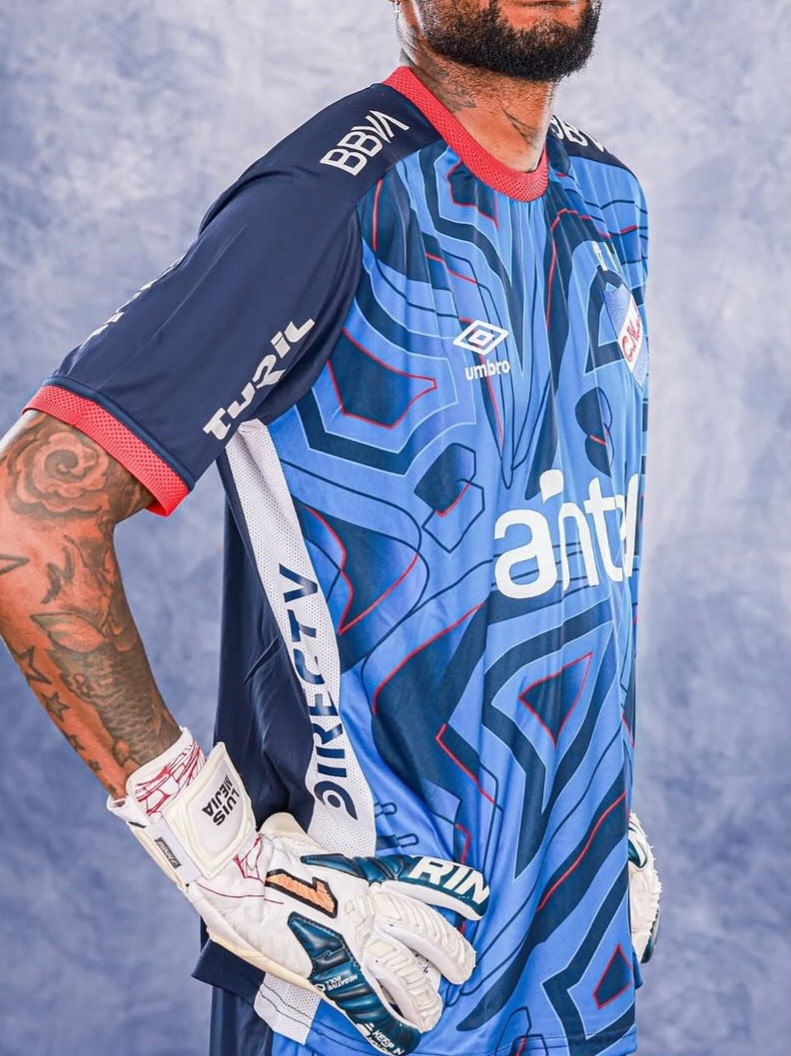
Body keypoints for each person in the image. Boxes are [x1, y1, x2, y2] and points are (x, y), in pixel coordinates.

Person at [0, 1, 661, 1054]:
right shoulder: (324, 202)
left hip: (572, 948)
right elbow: (31, 512)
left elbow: (556, 532)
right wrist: (214, 854)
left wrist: (590, 800)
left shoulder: (605, 196)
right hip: (371, 956)